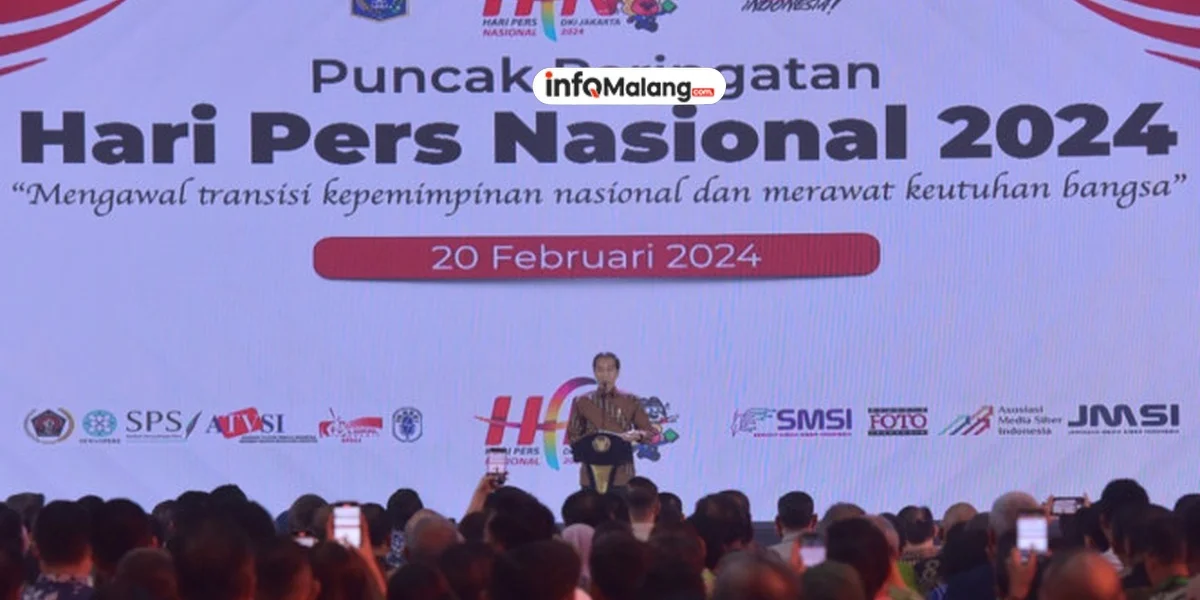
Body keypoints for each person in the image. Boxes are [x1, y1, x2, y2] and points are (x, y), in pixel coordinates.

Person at [566, 353, 655, 492]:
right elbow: (573, 435)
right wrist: (590, 441)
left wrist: (637, 435)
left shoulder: (631, 400)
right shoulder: (582, 401)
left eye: (609, 370)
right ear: (594, 372)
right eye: (600, 370)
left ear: (617, 372)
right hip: (589, 474)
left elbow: (649, 433)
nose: (605, 374)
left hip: (622, 474)